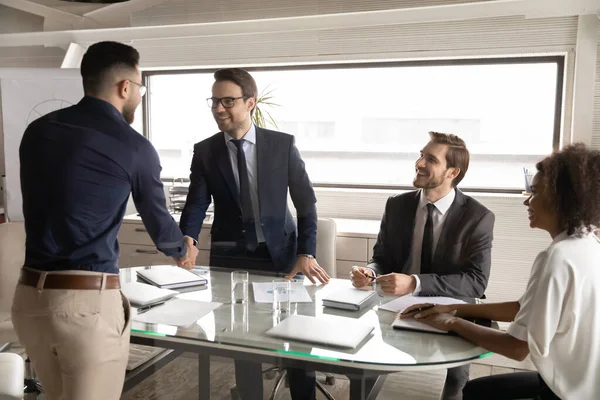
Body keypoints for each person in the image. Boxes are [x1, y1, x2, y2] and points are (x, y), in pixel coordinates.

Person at [11, 41, 198, 400]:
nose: (140, 96)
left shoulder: (37, 131)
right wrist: (182, 248)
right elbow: (159, 224)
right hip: (84, 307)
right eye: (140, 87)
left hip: (29, 301)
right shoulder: (133, 146)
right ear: (124, 87)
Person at [401, 143, 600, 400]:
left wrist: (452, 322)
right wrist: (453, 308)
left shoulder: (557, 258)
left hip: (564, 393)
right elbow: (522, 308)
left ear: (563, 199)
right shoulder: (588, 242)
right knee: (476, 390)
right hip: (587, 384)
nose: (527, 200)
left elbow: (517, 348)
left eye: (535, 192)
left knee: (474, 394)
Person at [179, 68, 329, 399]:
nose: (219, 108)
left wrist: (307, 253)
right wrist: (187, 239)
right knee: (239, 340)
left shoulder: (281, 145)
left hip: (284, 258)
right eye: (215, 101)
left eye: (228, 101)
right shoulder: (205, 151)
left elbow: (306, 204)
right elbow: (195, 204)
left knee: (299, 342)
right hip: (231, 259)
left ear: (250, 102)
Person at [352, 131, 495, 400]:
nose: (419, 163)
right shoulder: (397, 205)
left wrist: (415, 282)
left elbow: (476, 281)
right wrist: (371, 271)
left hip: (451, 306)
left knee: (457, 380)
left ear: (453, 172)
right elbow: (382, 257)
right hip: (398, 302)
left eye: (430, 159)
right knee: (366, 357)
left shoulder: (478, 217)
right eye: (420, 155)